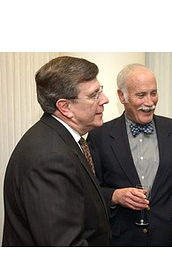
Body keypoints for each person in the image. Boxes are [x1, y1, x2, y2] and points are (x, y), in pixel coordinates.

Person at [2, 56, 111, 246]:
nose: (105, 100)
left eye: (100, 91)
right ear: (65, 107)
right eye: (94, 95)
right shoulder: (51, 159)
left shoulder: (58, 138)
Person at [87, 63, 172, 246]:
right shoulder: (99, 136)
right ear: (122, 96)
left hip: (165, 237)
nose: (150, 102)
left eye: (153, 93)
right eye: (141, 95)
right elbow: (90, 190)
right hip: (119, 240)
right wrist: (115, 196)